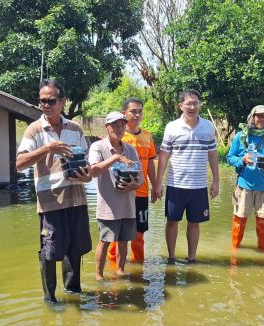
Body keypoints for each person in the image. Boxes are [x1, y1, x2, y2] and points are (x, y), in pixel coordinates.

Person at [15, 79, 93, 303]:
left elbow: (88, 164)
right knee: (50, 251)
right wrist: (48, 147)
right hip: (51, 202)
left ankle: (73, 293)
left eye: (50, 101)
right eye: (42, 101)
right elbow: (19, 164)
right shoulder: (35, 129)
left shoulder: (75, 128)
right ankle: (50, 299)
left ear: (62, 102)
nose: (46, 105)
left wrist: (87, 175)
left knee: (75, 249)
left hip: (77, 199)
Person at [154, 89, 219, 264]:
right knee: (172, 221)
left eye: (195, 103)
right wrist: (158, 183)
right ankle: (171, 257)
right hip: (176, 184)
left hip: (198, 185)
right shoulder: (172, 127)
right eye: (188, 103)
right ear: (181, 106)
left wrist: (216, 181)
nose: (192, 106)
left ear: (199, 105)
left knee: (194, 223)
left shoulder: (208, 127)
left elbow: (212, 154)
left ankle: (192, 258)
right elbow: (163, 156)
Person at [89, 111, 143, 280]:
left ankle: (120, 270)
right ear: (107, 127)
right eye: (115, 125)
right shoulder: (98, 147)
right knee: (105, 241)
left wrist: (135, 184)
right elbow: (93, 171)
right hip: (108, 206)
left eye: (122, 125)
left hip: (128, 204)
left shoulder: (131, 149)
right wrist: (115, 158)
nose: (119, 128)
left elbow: (140, 176)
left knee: (124, 240)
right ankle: (99, 275)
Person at [106, 98, 157, 264]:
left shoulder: (148, 135)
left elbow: (150, 162)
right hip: (120, 192)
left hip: (141, 191)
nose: (137, 115)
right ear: (124, 114)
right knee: (116, 234)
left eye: (140, 111)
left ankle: (137, 271)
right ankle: (114, 274)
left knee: (139, 234)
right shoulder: (118, 135)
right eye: (133, 111)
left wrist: (156, 185)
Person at [226, 105, 264, 251]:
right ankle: (234, 255)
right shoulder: (241, 136)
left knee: (263, 224)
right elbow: (230, 157)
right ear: (252, 117)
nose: (262, 119)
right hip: (244, 185)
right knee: (239, 222)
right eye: (259, 116)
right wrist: (242, 160)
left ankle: (262, 256)